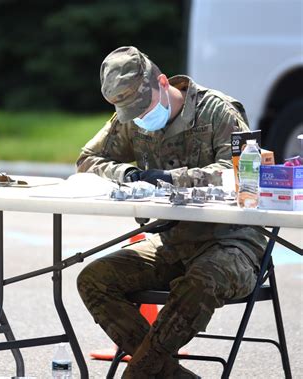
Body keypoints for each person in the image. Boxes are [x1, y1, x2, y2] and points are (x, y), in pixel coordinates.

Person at [76, 46, 267, 378]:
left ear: (163, 83)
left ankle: (141, 371)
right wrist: (129, 174)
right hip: (172, 240)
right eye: (130, 112)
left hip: (232, 242)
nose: (139, 118)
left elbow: (242, 172)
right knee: (95, 279)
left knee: (202, 281)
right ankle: (166, 374)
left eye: (142, 107)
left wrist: (172, 179)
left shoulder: (218, 111)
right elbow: (88, 160)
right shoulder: (132, 117)